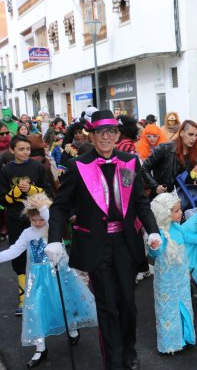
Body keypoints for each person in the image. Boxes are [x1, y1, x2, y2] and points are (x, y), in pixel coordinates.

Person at [44, 109, 161, 370]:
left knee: (128, 303)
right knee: (108, 305)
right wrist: (54, 239)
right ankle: (114, 361)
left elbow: (140, 202)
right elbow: (60, 207)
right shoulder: (78, 165)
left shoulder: (130, 162)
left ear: (117, 134)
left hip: (125, 243)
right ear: (92, 135)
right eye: (100, 132)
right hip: (96, 245)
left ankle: (129, 350)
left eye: (110, 131)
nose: (105, 137)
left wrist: (152, 230)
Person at [0, 193, 97, 368]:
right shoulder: (27, 233)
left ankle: (72, 328)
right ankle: (40, 348)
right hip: (38, 279)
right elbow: (14, 251)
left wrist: (43, 206)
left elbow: (52, 219)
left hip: (58, 273)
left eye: (40, 219)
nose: (38, 223)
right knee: (36, 309)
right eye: (34, 220)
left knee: (64, 303)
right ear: (29, 218)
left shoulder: (52, 227)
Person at [148, 193, 197, 354]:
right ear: (165, 214)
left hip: (181, 278)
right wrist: (153, 247)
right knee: (168, 310)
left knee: (184, 305)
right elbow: (155, 254)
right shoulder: (160, 234)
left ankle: (185, 337)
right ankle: (170, 343)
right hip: (166, 281)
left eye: (179, 210)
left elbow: (188, 236)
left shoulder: (177, 228)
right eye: (176, 211)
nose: (181, 213)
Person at [0, 135, 52, 316]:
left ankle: (48, 294)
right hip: (15, 218)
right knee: (18, 255)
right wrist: (14, 193)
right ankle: (24, 298)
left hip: (38, 219)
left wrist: (32, 190)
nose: (25, 152)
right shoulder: (6, 171)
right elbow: (2, 200)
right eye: (21, 149)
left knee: (44, 255)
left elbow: (48, 190)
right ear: (12, 150)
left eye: (28, 149)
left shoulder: (38, 167)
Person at [141, 120, 197, 198]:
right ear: (181, 133)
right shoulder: (165, 148)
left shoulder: (194, 155)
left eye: (196, 135)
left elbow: (188, 181)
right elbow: (144, 168)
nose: (194, 138)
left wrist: (194, 176)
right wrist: (156, 186)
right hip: (162, 199)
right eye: (190, 134)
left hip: (182, 200)